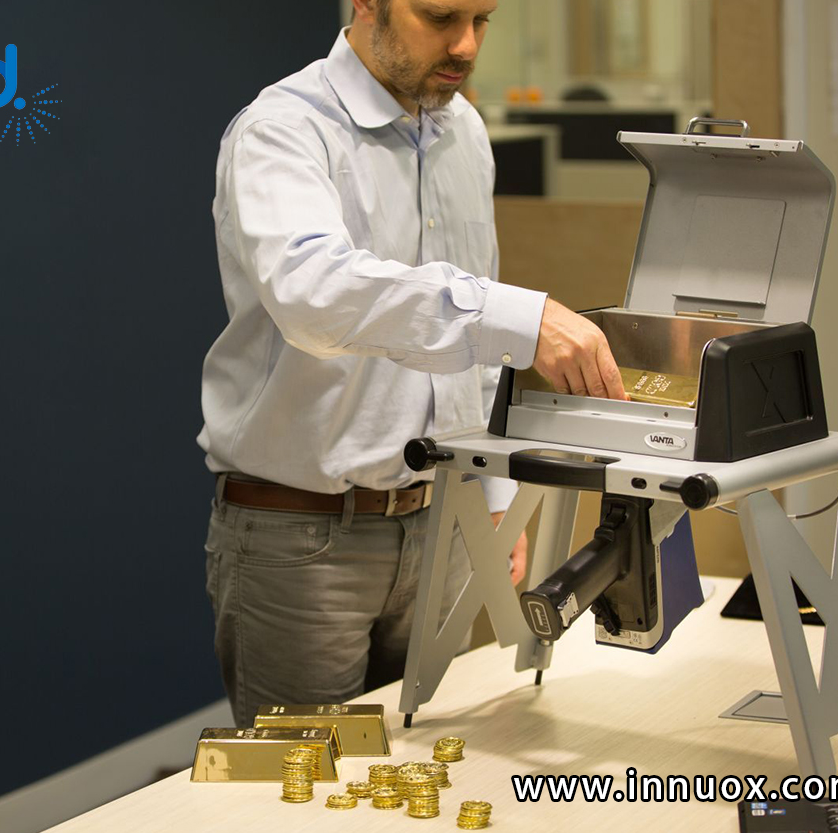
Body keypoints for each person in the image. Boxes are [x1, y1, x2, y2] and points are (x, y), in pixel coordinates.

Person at [198, 0, 626, 727]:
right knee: (305, 781)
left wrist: (494, 492)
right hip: (304, 540)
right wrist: (518, 318)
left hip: (444, 522)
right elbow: (316, 297)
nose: (466, 45)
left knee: (430, 768)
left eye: (482, 20)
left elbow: (470, 345)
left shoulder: (464, 131)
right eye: (440, 16)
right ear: (367, 4)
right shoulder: (284, 129)